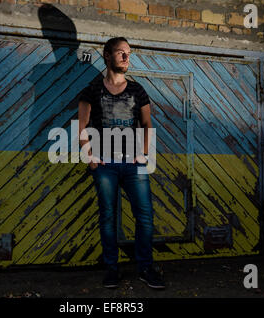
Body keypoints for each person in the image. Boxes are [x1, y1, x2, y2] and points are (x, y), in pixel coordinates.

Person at [78, 37, 165, 289]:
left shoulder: (137, 90)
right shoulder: (91, 90)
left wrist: (144, 155)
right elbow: (82, 127)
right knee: (108, 217)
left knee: (145, 216)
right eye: (121, 53)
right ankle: (112, 269)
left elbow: (147, 124)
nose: (127, 58)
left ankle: (146, 268)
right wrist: (91, 158)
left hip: (133, 164)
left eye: (129, 53)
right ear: (107, 56)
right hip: (104, 165)